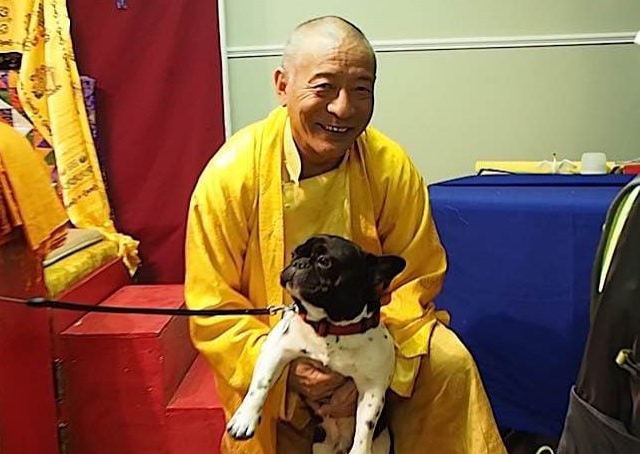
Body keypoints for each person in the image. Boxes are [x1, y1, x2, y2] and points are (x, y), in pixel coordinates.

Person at [185, 15, 506, 453]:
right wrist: (297, 369)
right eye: (323, 87)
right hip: (276, 348)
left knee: (450, 364)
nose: (342, 108)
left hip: (374, 336)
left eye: (361, 90)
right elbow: (212, 307)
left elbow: (416, 279)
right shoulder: (231, 175)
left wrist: (362, 361)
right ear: (282, 85)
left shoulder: (389, 166)